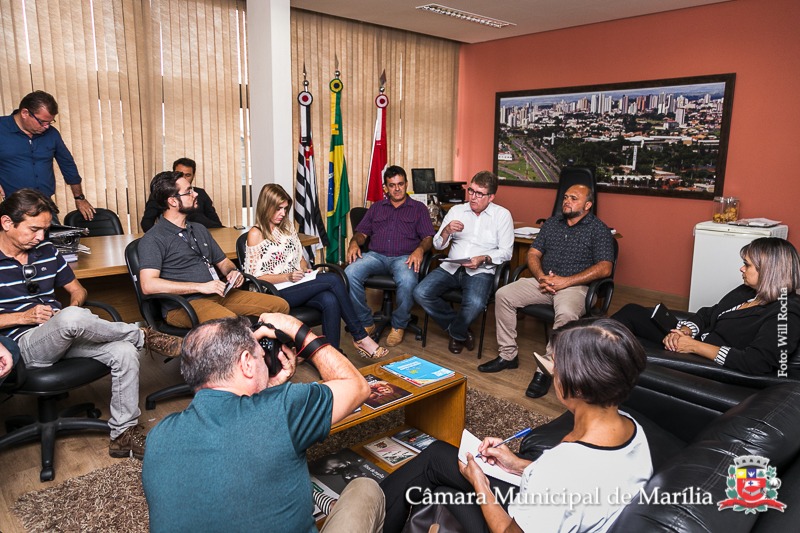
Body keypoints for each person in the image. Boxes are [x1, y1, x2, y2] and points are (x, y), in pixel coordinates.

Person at [380, 318, 652, 533]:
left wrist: (480, 484)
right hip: (555, 512)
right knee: (438, 456)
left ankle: (367, 517)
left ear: (577, 385)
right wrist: (516, 464)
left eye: (555, 365)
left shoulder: (562, 467)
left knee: (441, 481)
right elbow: (580, 487)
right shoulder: (632, 427)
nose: (552, 371)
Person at [142, 313, 385, 533]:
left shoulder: (158, 436)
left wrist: (264, 393)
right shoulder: (282, 408)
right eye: (260, 354)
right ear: (247, 363)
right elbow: (357, 387)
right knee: (366, 489)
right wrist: (296, 328)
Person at [0, 189, 181, 458]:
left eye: (45, 230)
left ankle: (123, 434)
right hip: (22, 346)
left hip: (62, 333)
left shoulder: (47, 251)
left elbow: (79, 291)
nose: (41, 237)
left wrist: (71, 313)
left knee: (123, 351)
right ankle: (143, 336)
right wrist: (23, 317)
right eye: (34, 229)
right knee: (76, 321)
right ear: (6, 223)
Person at [482, 184, 615, 400]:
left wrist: (565, 282)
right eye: (565, 197)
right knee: (503, 295)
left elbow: (605, 267)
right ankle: (508, 355)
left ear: (588, 205)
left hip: (574, 287)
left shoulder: (598, 229)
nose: (566, 201)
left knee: (566, 314)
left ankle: (545, 368)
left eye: (574, 198)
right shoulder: (553, 223)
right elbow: (533, 253)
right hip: (544, 282)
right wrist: (541, 276)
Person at [613, 237, 800, 375]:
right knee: (632, 311)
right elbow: (708, 314)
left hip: (708, 361)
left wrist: (694, 346)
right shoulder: (747, 291)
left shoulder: (786, 313)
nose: (741, 269)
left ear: (769, 271)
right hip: (695, 342)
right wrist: (686, 330)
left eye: (747, 265)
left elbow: (756, 362)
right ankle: (588, 350)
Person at [244, 184, 388, 358]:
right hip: (274, 293)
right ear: (266, 206)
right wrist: (287, 276)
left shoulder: (287, 228)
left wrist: (305, 269)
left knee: (330, 299)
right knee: (333, 280)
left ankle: (331, 356)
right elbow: (255, 278)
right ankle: (360, 336)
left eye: (285, 208)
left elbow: (300, 258)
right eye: (278, 209)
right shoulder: (256, 233)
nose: (283, 213)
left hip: (296, 284)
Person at [138, 171, 289, 328]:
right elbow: (148, 285)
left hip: (218, 294)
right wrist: (199, 287)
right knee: (233, 325)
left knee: (280, 305)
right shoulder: (154, 238)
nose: (195, 194)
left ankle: (269, 349)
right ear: (173, 201)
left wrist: (232, 272)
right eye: (189, 191)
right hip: (184, 306)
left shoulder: (199, 229)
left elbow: (224, 262)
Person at [413, 171, 513, 354]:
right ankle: (460, 330)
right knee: (420, 293)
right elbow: (437, 244)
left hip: (480, 271)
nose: (473, 197)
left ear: (491, 197)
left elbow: (507, 253)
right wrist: (446, 231)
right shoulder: (456, 210)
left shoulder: (502, 216)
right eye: (471, 191)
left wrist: (484, 258)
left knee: (475, 303)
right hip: (451, 266)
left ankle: (456, 334)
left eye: (479, 194)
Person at [345, 165, 435, 347]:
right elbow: (362, 233)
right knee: (349, 273)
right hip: (376, 256)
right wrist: (354, 241)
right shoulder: (377, 208)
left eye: (400, 184)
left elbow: (428, 238)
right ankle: (366, 322)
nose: (397, 188)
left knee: (408, 280)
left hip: (404, 257)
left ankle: (399, 325)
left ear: (406, 184)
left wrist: (419, 250)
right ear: (386, 187)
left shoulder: (419, 209)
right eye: (392, 185)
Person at [0, 91, 95, 220]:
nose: (46, 127)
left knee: (57, 239)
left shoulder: (52, 134)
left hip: (44, 205)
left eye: (50, 122)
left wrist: (79, 198)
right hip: (14, 209)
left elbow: (68, 165)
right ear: (25, 113)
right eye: (42, 122)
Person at [141, 157, 222, 231]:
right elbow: (147, 222)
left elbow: (216, 224)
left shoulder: (200, 193)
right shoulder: (162, 194)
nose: (183, 178)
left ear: (193, 176)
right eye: (180, 174)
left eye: (188, 175)